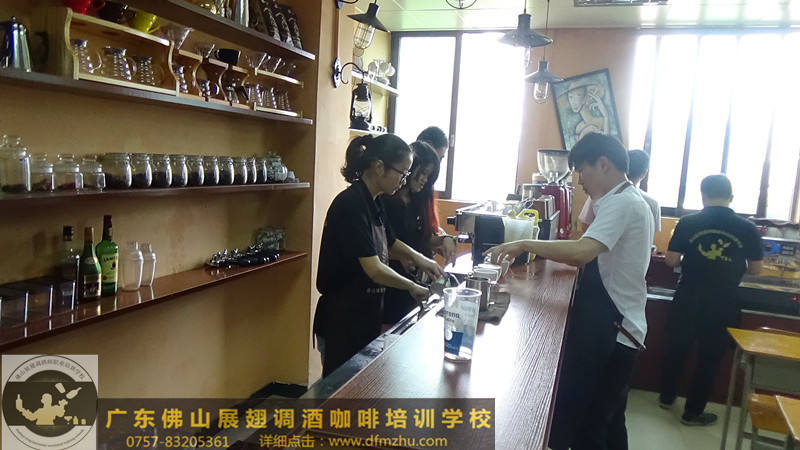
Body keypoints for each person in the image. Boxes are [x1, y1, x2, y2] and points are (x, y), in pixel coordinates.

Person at [486, 132, 654, 449]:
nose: (579, 181)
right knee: (609, 421)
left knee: (590, 427)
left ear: (603, 164)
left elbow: (582, 252)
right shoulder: (624, 200)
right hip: (621, 327)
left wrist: (524, 243)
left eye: (581, 170)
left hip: (615, 331)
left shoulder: (622, 203)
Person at [313, 134, 445, 377]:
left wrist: (422, 260)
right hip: (342, 320)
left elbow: (390, 243)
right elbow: (373, 268)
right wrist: (412, 286)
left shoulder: (374, 202)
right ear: (379, 167)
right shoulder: (350, 204)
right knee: (340, 392)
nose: (404, 180)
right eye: (402, 173)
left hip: (365, 315)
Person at [658, 174, 763, 426]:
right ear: (731, 197)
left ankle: (666, 398)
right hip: (722, 301)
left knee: (677, 348)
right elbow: (756, 269)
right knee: (710, 357)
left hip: (688, 296)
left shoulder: (688, 222)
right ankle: (693, 412)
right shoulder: (747, 228)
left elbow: (671, 260)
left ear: (703, 195)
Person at [381, 141, 455, 324]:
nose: (424, 179)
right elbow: (379, 245)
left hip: (411, 284)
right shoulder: (385, 201)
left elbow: (423, 238)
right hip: (389, 283)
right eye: (422, 173)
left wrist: (444, 239)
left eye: (428, 176)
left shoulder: (416, 202)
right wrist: (403, 256)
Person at [579, 149, 661, 233]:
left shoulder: (600, 194)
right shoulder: (652, 203)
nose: (580, 181)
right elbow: (649, 234)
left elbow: (585, 226)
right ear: (644, 174)